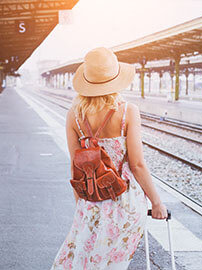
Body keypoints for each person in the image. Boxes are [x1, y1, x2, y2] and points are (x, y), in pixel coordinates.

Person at [50, 47, 167, 270]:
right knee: (114, 264)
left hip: (91, 200)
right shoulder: (127, 111)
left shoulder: (74, 114)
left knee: (86, 261)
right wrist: (157, 203)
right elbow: (138, 164)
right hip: (126, 202)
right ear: (116, 79)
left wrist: (81, 205)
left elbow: (76, 166)